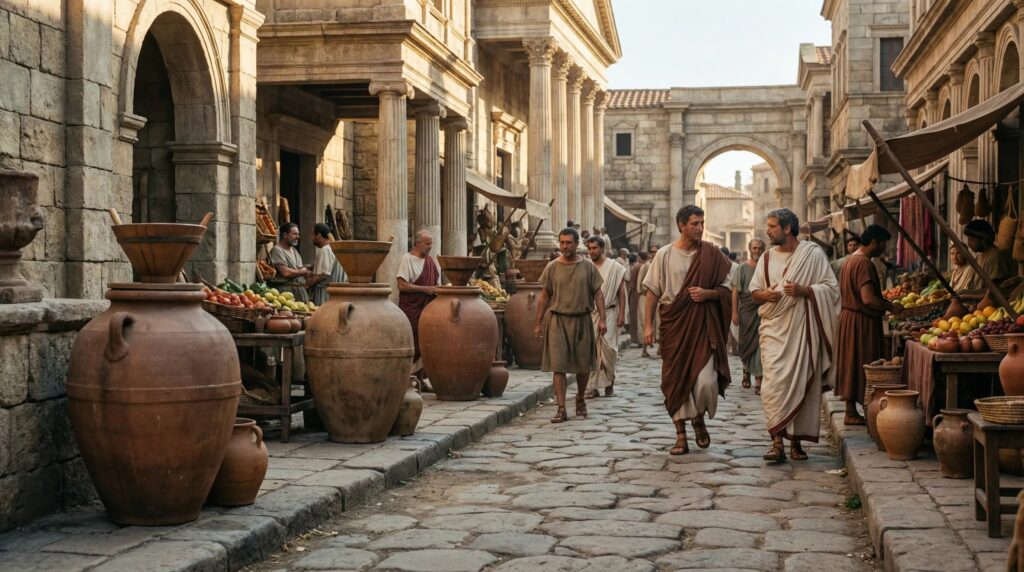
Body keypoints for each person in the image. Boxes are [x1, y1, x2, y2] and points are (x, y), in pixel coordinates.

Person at [750, 208, 840, 462]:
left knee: (801, 381)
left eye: (772, 226)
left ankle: (796, 442)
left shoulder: (812, 254)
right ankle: (776, 442)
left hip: (802, 328)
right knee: (773, 385)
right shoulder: (766, 258)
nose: (767, 231)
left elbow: (831, 289)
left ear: (787, 228)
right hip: (773, 330)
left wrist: (806, 290)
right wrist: (766, 295)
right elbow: (754, 292)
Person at [643, 205, 733, 455]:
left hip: (703, 325)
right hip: (675, 325)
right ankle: (680, 434)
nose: (700, 228)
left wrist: (709, 294)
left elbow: (727, 289)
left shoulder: (712, 254)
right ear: (681, 225)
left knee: (705, 381)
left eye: (702, 223)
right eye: (694, 223)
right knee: (675, 380)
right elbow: (652, 290)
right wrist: (648, 325)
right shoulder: (664, 254)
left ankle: (699, 417)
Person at [533, 228, 606, 423]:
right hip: (558, 321)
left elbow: (598, 293)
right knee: (559, 366)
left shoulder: (588, 267)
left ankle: (580, 398)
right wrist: (538, 323)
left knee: (583, 366)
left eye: (569, 243)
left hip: (582, 320)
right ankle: (561, 408)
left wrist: (603, 320)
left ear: (576, 244)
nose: (565, 246)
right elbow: (544, 296)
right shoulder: (552, 267)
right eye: (562, 242)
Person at [835, 224, 899, 426]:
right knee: (863, 362)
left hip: (849, 318)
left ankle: (850, 411)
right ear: (874, 243)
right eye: (883, 245)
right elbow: (868, 298)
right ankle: (861, 410)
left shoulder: (849, 261)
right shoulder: (864, 264)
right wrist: (890, 306)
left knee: (851, 362)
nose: (885, 250)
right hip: (860, 321)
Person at [397, 230, 446, 375]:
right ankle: (405, 378)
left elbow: (436, 285)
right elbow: (401, 285)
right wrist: (425, 289)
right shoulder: (407, 259)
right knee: (412, 344)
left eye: (431, 243)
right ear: (417, 243)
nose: (430, 246)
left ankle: (419, 378)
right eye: (427, 243)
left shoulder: (430, 261)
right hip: (412, 310)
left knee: (428, 344)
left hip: (428, 311)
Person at [584, 236, 627, 399]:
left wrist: (622, 314)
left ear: (602, 249)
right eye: (589, 248)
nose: (591, 251)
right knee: (592, 352)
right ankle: (593, 387)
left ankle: (610, 380)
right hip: (591, 314)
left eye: (594, 248)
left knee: (609, 350)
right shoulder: (587, 267)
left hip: (610, 312)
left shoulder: (615, 267)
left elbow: (621, 292)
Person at [732, 238, 766, 393]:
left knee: (760, 344)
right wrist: (734, 312)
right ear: (750, 249)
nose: (757, 251)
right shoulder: (742, 268)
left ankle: (759, 379)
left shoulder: (766, 267)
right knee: (745, 343)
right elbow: (735, 291)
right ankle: (746, 372)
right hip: (746, 309)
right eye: (754, 248)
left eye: (759, 248)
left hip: (763, 309)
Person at [268, 223, 311, 303]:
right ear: (285, 235)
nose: (298, 237)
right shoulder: (277, 250)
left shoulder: (294, 251)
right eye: (294, 234)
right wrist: (303, 271)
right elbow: (285, 272)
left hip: (300, 291)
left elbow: (299, 268)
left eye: (298, 234)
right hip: (286, 293)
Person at [307, 223, 348, 306]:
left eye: (312, 234)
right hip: (335, 294)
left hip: (326, 295)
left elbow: (323, 275)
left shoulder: (325, 250)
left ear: (318, 235)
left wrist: (307, 284)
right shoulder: (335, 248)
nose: (311, 237)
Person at [627, 253, 642, 346]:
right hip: (639, 293)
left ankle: (636, 339)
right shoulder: (640, 267)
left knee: (634, 317)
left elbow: (631, 283)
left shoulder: (636, 267)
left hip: (635, 293)